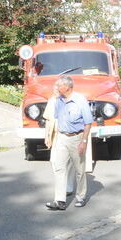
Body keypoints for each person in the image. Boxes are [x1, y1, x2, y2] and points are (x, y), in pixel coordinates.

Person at [45, 76, 93, 210]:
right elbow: (55, 120)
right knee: (59, 167)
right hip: (62, 138)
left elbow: (88, 123)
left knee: (79, 169)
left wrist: (84, 141)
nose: (56, 88)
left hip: (77, 138)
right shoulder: (58, 101)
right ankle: (60, 201)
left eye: (58, 85)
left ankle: (81, 196)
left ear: (67, 87)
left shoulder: (80, 100)